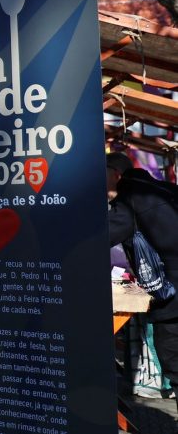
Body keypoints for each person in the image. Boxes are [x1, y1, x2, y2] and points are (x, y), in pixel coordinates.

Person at [107, 151, 178, 413]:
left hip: (172, 300)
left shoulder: (129, 200)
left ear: (115, 174)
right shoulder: (168, 190)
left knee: (175, 365)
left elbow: (101, 238)